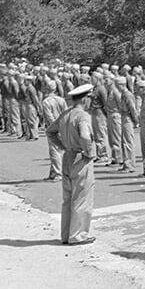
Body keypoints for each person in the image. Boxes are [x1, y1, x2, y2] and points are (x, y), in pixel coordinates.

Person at [58, 84, 97, 246]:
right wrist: (88, 152)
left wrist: (63, 145)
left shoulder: (66, 114)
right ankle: (78, 235)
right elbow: (85, 136)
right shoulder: (82, 116)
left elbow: (50, 131)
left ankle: (66, 234)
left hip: (67, 155)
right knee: (82, 197)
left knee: (68, 198)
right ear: (85, 99)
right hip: (80, 157)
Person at [41, 79, 69, 181]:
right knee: (58, 149)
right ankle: (53, 173)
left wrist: (54, 127)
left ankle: (58, 173)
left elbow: (49, 116)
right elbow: (66, 113)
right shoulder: (61, 100)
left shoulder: (46, 101)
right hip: (62, 125)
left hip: (53, 127)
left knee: (54, 151)